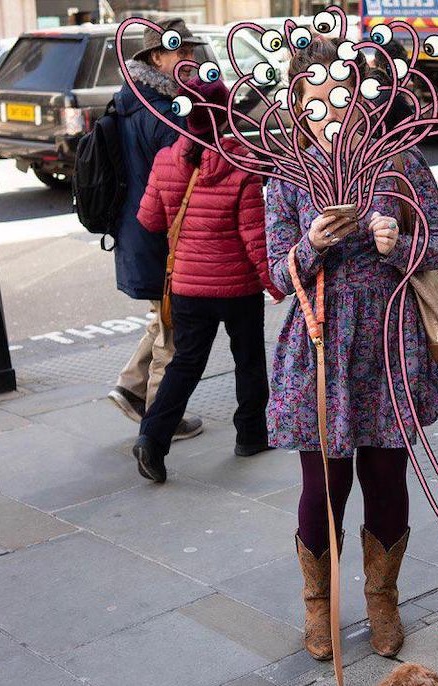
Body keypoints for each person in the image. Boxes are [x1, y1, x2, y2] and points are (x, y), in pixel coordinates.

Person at [265, 37, 438, 660]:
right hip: (320, 343)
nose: (329, 112)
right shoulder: (287, 175)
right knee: (321, 484)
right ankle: (318, 606)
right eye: (314, 100)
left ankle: (382, 599)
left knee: (385, 474)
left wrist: (397, 241)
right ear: (296, 102)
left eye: (340, 99)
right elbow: (274, 273)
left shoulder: (400, 163)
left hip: (388, 339)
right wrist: (312, 244)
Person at [131, 76, 285, 483]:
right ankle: (251, 434)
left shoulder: (167, 159)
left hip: (187, 286)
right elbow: (255, 237)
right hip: (238, 288)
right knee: (248, 359)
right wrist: (275, 283)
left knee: (185, 364)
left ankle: (152, 438)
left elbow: (148, 219)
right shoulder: (242, 164)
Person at [106, 17, 204, 441]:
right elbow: (187, 175)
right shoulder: (163, 113)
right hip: (160, 235)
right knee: (174, 327)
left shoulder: (128, 100)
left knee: (163, 318)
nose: (189, 59)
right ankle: (161, 418)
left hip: (134, 230)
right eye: (179, 52)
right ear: (156, 58)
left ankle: (131, 386)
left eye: (190, 52)